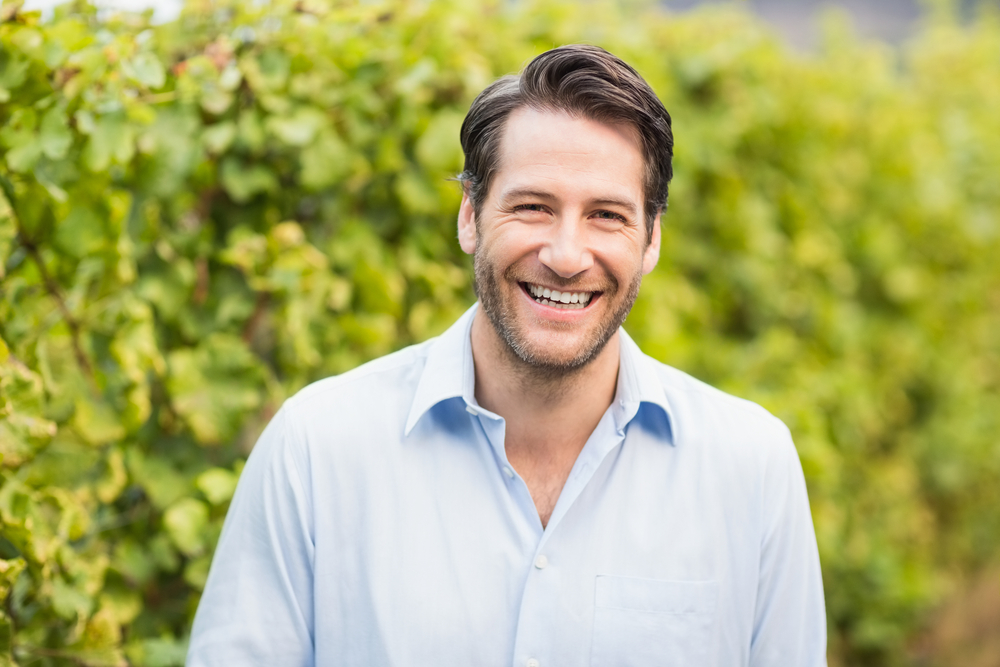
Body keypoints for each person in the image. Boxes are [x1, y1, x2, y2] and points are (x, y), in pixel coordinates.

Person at [187, 45, 827, 666]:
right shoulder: (316, 449)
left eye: (606, 215)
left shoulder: (751, 468)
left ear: (652, 239)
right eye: (532, 207)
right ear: (470, 214)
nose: (567, 255)